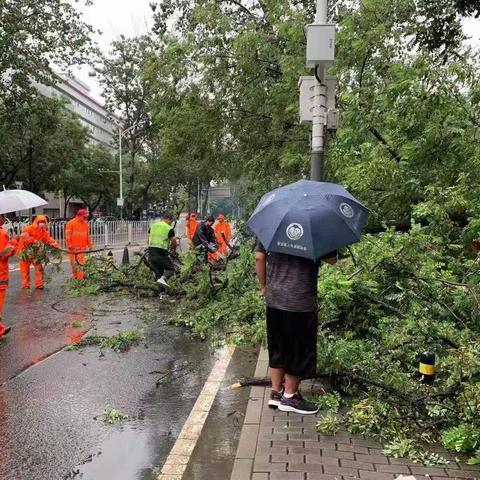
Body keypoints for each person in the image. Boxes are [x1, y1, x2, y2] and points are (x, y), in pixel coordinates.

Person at [255, 242, 337, 415]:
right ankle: (290, 397)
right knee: (298, 349)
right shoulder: (315, 228)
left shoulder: (273, 222)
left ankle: (276, 393)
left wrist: (263, 286)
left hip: (274, 299)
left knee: (278, 346)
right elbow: (332, 259)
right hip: (300, 301)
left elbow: (259, 257)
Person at [17, 215, 60, 289]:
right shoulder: (28, 228)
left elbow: (48, 239)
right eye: (41, 222)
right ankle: (25, 285)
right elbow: (25, 237)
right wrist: (34, 241)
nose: (42, 223)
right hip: (25, 251)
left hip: (35, 253)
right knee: (24, 269)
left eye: (43, 222)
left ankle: (39, 284)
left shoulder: (43, 231)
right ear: (36, 221)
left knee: (39, 268)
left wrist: (56, 245)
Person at [148, 212, 178, 288]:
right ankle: (163, 278)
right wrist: (173, 250)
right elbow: (174, 242)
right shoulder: (169, 228)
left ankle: (160, 293)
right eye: (171, 221)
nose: (171, 223)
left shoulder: (153, 226)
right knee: (171, 269)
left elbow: (148, 237)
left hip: (151, 253)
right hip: (161, 254)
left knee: (158, 273)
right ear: (168, 219)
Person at [65, 209, 93, 281]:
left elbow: (88, 236)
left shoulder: (85, 224)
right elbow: (68, 236)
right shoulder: (71, 223)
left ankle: (80, 279)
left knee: (80, 265)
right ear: (79, 216)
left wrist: (90, 246)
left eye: (86, 217)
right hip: (72, 249)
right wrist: (70, 246)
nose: (85, 218)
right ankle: (76, 277)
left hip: (81, 250)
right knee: (73, 265)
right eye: (84, 217)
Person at [0, 214, 16, 337]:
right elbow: (3, 253)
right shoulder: (1, 234)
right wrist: (14, 242)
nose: (4, 219)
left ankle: (0, 329)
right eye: (2, 216)